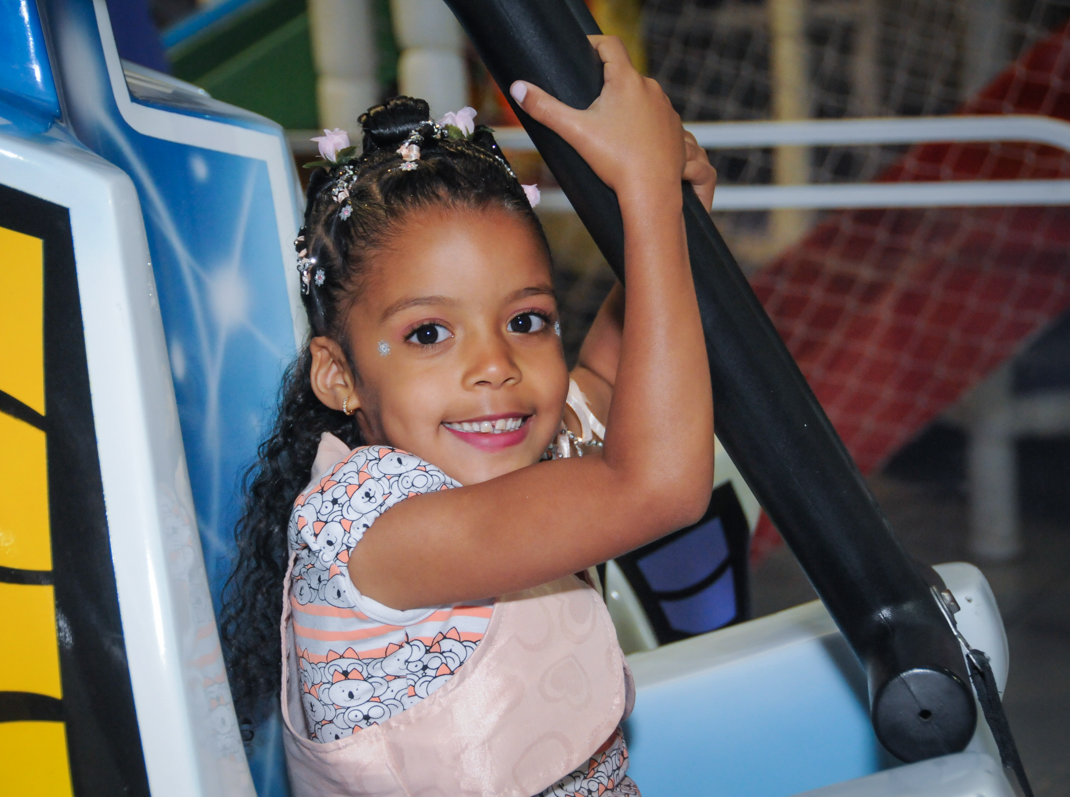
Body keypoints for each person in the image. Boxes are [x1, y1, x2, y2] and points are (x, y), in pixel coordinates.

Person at [220, 36, 716, 797]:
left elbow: (609, 384)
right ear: (339, 374)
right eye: (428, 333)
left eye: (526, 321)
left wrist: (669, 225)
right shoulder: (371, 523)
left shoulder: (508, 457)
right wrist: (645, 196)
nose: (496, 365)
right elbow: (658, 485)